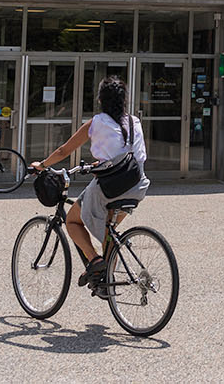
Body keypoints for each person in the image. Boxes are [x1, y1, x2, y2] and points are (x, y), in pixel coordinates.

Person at [31, 76, 149, 293]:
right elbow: (131, 156)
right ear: (124, 100)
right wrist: (103, 162)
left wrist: (42, 165)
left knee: (73, 221)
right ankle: (106, 281)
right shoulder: (134, 122)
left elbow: (64, 151)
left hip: (111, 188)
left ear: (100, 99)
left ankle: (94, 261)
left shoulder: (96, 123)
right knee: (108, 230)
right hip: (137, 186)